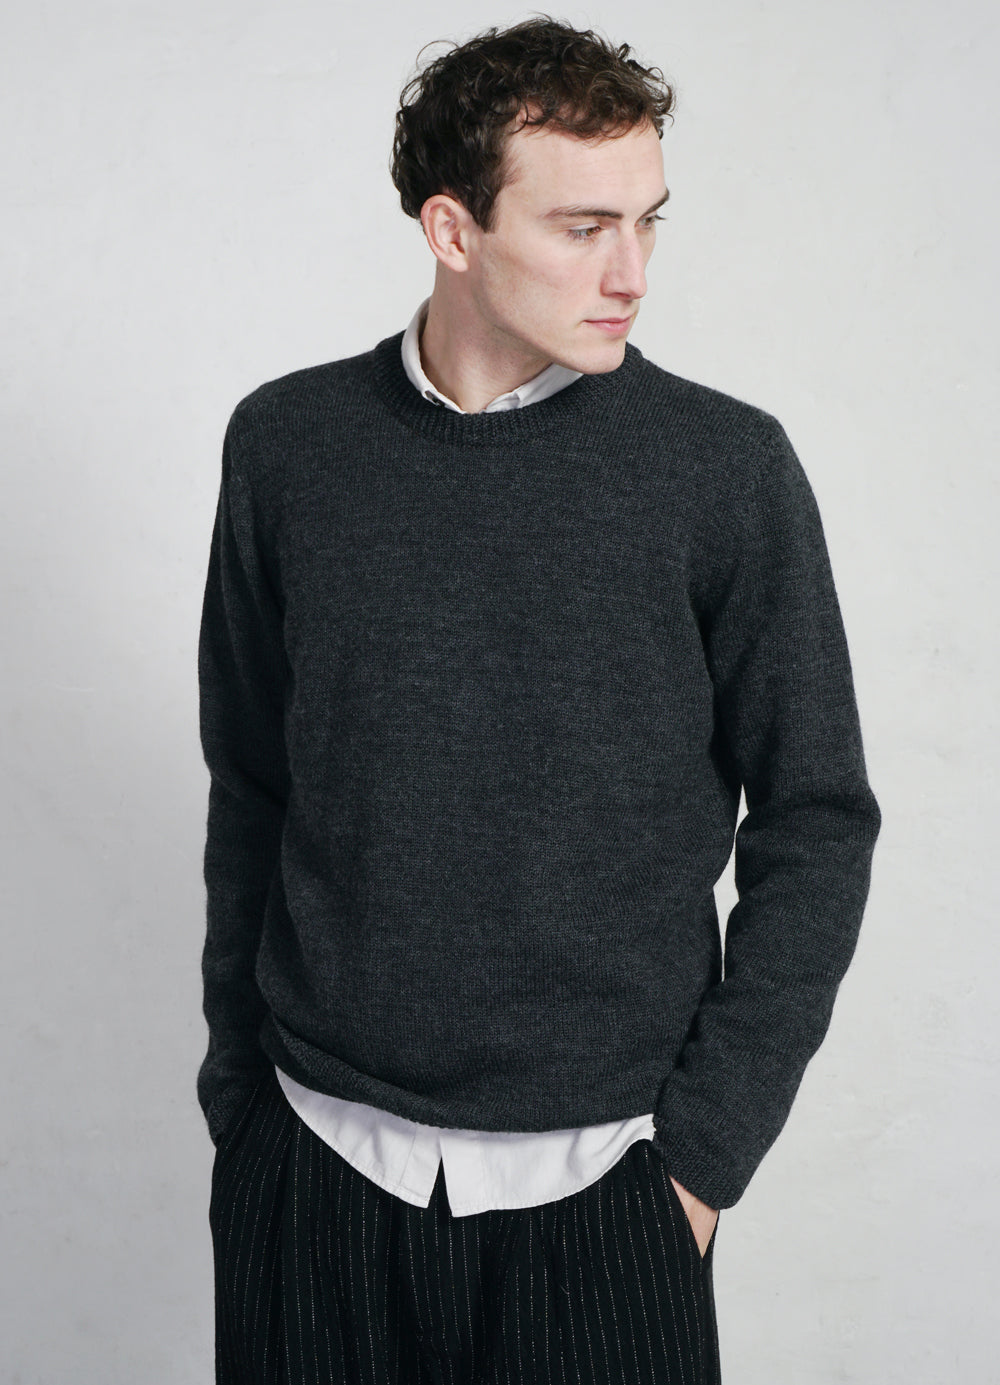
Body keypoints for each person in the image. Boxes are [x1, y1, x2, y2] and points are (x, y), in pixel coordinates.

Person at [197, 16, 881, 1384]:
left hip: (610, 1194)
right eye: (582, 227)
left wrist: (702, 1159)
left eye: (648, 221)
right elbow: (254, 784)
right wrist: (239, 1104)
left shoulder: (724, 470)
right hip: (314, 1172)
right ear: (452, 230)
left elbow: (816, 818)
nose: (632, 272)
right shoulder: (288, 447)